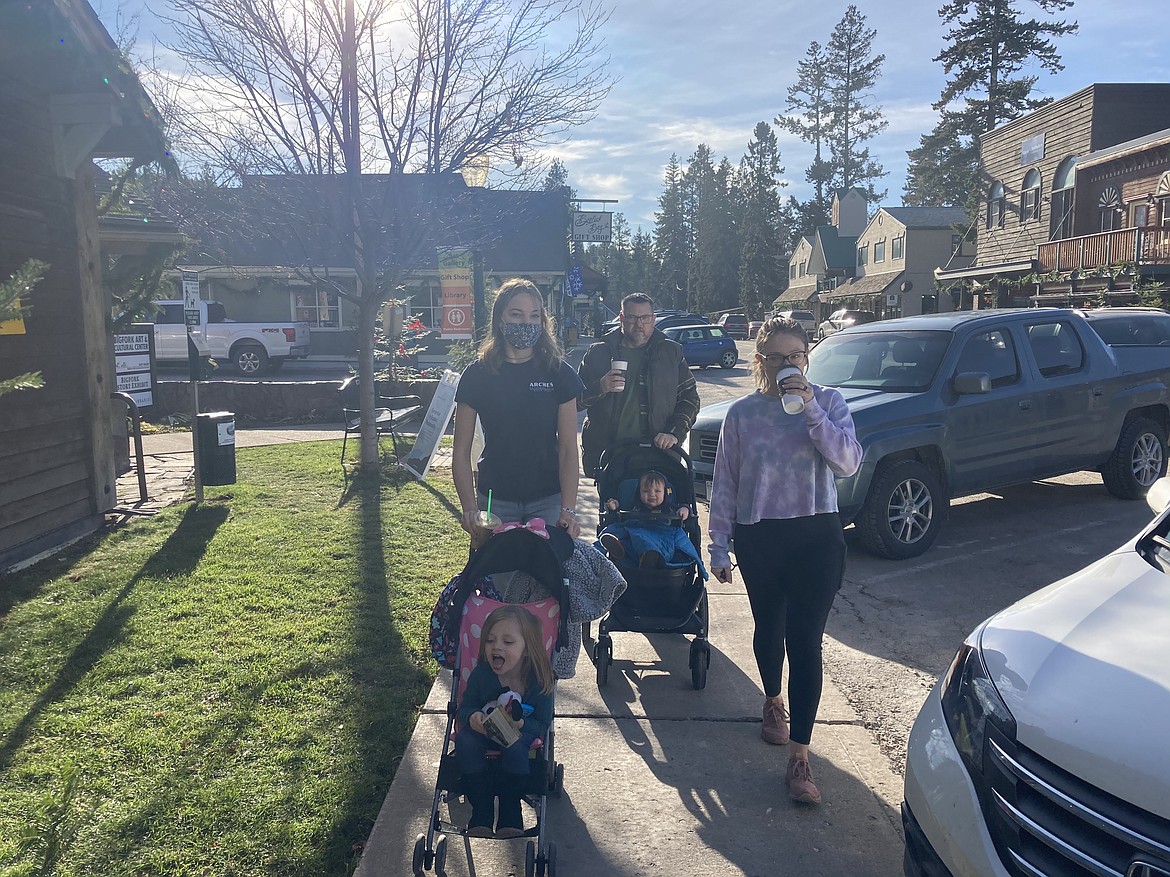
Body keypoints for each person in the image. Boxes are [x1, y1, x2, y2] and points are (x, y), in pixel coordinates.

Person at [706, 317, 861, 805]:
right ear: (760, 362)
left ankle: (800, 758)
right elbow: (725, 480)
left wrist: (812, 409)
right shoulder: (743, 414)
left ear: (807, 358)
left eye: (796, 355)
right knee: (769, 628)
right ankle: (773, 700)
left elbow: (848, 462)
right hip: (761, 536)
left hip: (816, 535)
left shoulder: (830, 402)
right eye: (776, 357)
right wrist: (719, 542)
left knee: (806, 640)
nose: (787, 365)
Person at [453, 278, 584, 540]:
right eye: (516, 314)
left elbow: (569, 448)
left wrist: (568, 509)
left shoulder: (559, 373)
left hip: (548, 498)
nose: (526, 322)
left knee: (546, 576)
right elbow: (460, 451)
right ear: (500, 319)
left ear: (543, 322)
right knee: (498, 578)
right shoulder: (477, 374)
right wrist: (469, 507)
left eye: (534, 315)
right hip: (495, 500)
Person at [455, 605, 555, 838]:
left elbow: (542, 723)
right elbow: (465, 707)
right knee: (465, 742)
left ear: (527, 649)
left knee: (516, 748)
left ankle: (511, 813)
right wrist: (472, 716)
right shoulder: (482, 674)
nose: (496, 646)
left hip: (521, 736)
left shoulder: (540, 681)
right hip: (485, 732)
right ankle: (481, 811)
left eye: (508, 642)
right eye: (490, 640)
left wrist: (522, 726)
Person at [577, 292, 700, 477]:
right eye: (632, 317)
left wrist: (674, 433)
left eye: (645, 318)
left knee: (660, 505)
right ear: (621, 318)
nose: (639, 324)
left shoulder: (670, 352)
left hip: (659, 455)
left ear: (654, 319)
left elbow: (690, 398)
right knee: (613, 506)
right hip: (609, 457)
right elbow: (575, 400)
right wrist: (600, 387)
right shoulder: (598, 352)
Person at [597, 470, 706, 579]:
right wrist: (613, 505)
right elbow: (619, 521)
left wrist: (685, 509)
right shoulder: (635, 508)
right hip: (637, 535)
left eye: (657, 491)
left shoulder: (671, 509)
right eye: (645, 491)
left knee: (654, 541)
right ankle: (621, 550)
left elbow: (684, 541)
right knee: (625, 531)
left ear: (665, 492)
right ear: (639, 493)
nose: (651, 494)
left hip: (661, 538)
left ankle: (650, 556)